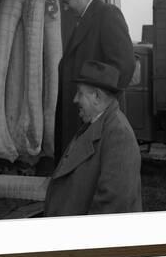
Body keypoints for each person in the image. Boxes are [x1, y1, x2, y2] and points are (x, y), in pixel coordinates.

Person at [52, 0, 135, 163]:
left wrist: (99, 105)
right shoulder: (82, 22)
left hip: (93, 118)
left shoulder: (107, 14)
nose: (64, 8)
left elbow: (124, 65)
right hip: (80, 115)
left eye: (66, 1)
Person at [44, 61, 142, 216]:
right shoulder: (95, 124)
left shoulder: (118, 134)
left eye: (80, 93)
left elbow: (114, 205)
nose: (75, 99)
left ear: (97, 96)